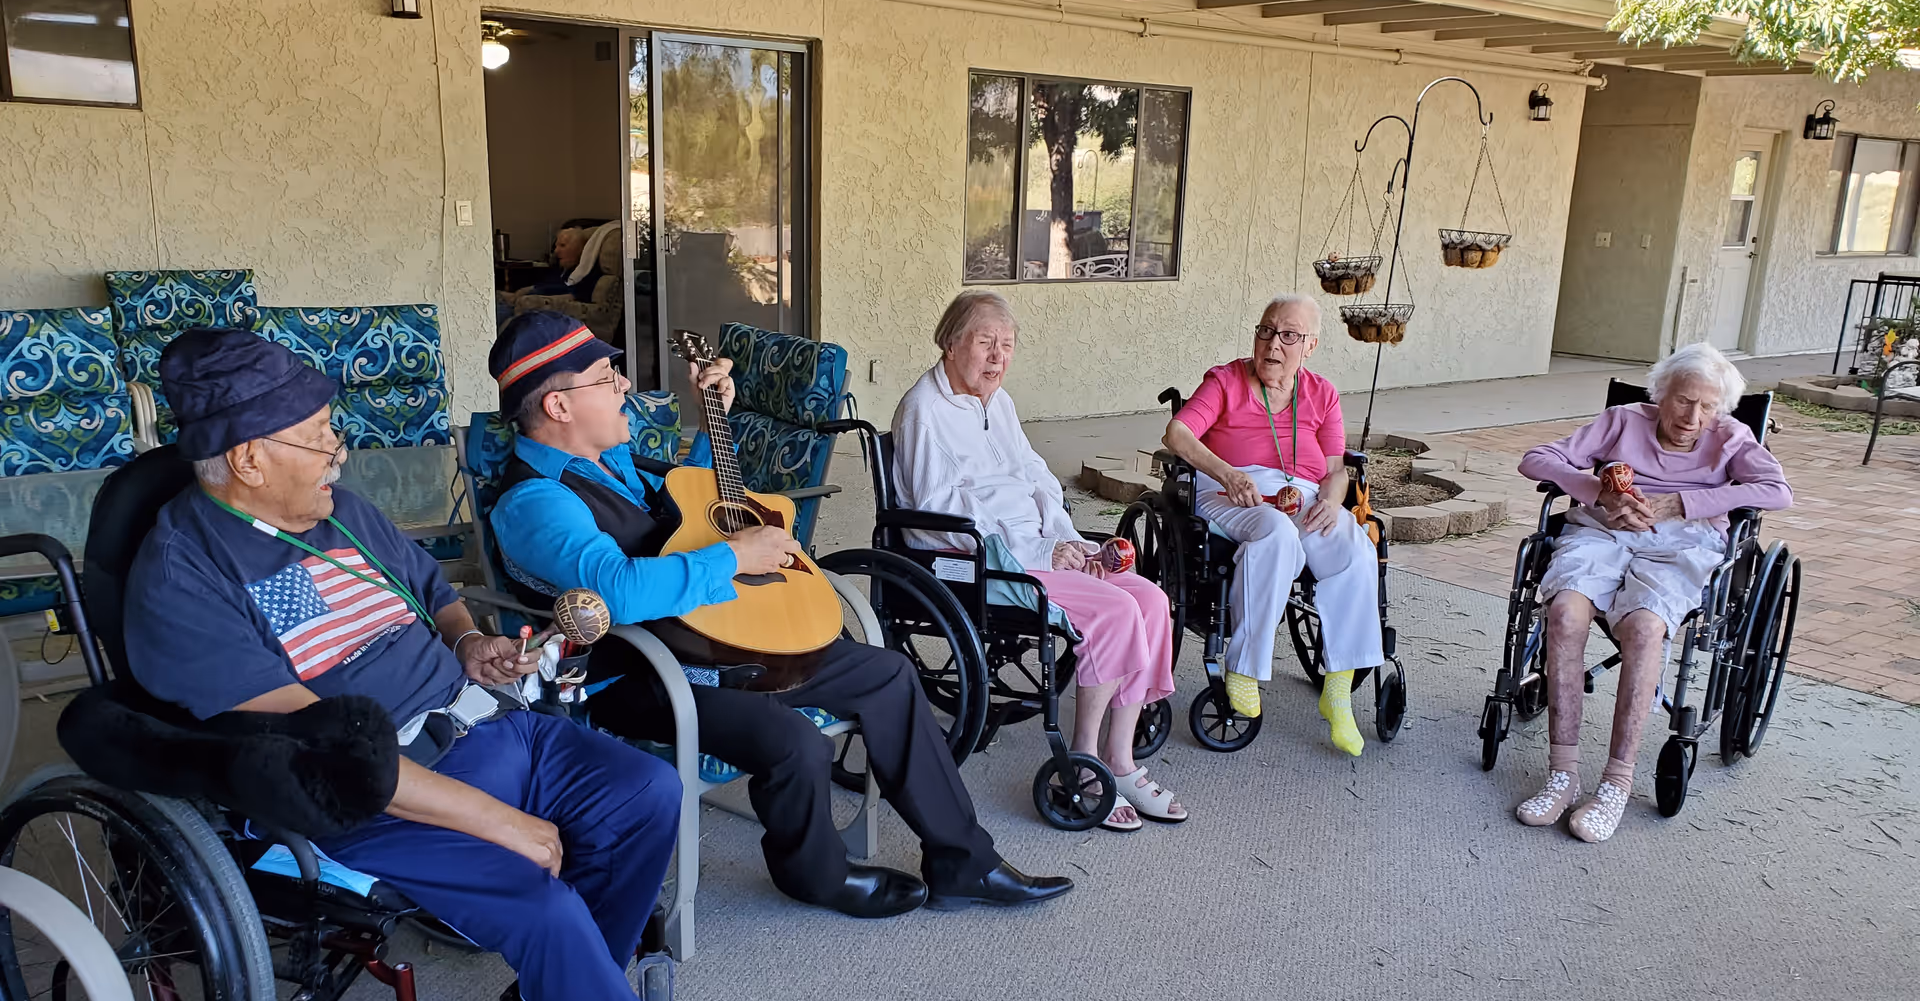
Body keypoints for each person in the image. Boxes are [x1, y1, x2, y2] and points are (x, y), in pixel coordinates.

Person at [121, 326, 877, 1001]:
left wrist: (472, 643)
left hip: (483, 725)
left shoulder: (337, 511)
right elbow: (327, 752)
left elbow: (434, 590)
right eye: (320, 432)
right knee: (547, 909)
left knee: (649, 793)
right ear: (248, 457)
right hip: (363, 793)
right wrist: (503, 823)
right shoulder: (186, 574)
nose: (339, 448)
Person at [486, 312, 1073, 916]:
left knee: (890, 674)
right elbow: (621, 590)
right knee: (792, 741)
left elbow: (682, 508)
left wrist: (713, 419)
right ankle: (814, 875)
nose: (625, 387)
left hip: (717, 640)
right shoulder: (535, 502)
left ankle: (963, 862)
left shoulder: (610, 462)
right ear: (558, 405)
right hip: (637, 675)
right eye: (608, 377)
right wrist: (736, 554)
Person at [891, 291, 1186, 830]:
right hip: (983, 564)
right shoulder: (923, 411)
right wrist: (1042, 551)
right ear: (950, 343)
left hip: (1038, 552)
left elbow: (1037, 477)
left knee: (1150, 598)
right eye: (985, 343)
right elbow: (937, 512)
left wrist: (1072, 541)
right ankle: (1086, 762)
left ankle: (1120, 759)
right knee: (1114, 612)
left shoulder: (996, 403)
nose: (997, 357)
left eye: (1007, 346)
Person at [1514, 341, 1791, 843]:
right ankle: (1563, 773)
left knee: (1644, 629)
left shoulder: (1732, 437)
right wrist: (1595, 490)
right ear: (1661, 395)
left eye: (1708, 406)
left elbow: (1777, 491)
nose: (1693, 416)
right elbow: (1536, 459)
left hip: (1684, 542)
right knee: (1565, 617)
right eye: (1684, 400)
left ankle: (1616, 783)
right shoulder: (1623, 420)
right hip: (1602, 530)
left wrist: (1683, 504)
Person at [1161, 294, 1384, 756]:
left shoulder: (1322, 393)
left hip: (1301, 494)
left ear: (1311, 346)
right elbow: (1177, 434)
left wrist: (1332, 498)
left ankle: (1338, 689)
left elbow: (1336, 467)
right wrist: (1225, 472)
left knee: (1354, 545)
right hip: (1229, 492)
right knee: (1276, 533)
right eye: (1266, 331)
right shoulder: (1225, 381)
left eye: (1288, 335)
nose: (1273, 344)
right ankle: (1244, 667)